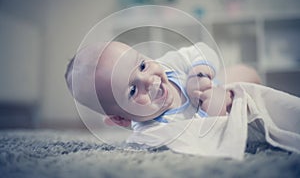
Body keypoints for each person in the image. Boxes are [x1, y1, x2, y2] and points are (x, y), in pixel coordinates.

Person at [65, 41, 261, 130]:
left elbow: (201, 50)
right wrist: (208, 115)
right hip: (220, 121)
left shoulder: (169, 65)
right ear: (120, 119)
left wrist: (198, 71)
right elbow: (192, 144)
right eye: (132, 90)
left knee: (246, 72)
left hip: (224, 88)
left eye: (142, 66)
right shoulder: (154, 131)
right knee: (252, 121)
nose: (149, 80)